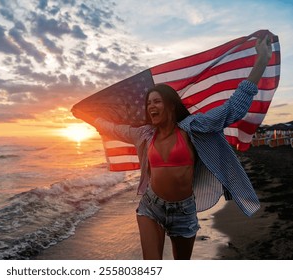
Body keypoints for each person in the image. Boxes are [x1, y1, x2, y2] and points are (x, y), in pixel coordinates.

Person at [72, 35, 273, 259]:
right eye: (148, 103)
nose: (151, 107)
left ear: (170, 104)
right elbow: (113, 128)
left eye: (156, 101)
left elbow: (233, 108)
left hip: (184, 211)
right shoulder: (145, 134)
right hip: (151, 206)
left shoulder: (194, 128)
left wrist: (262, 60)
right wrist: (84, 115)